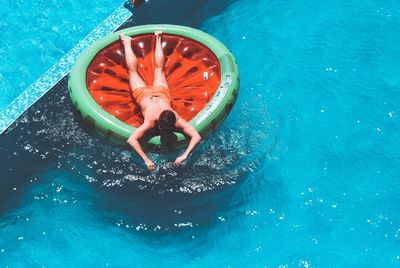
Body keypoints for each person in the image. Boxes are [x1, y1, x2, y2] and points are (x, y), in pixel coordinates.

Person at [120, 31, 202, 171]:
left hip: (157, 94)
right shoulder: (157, 120)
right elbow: (131, 140)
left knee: (154, 70)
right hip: (147, 95)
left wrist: (184, 155)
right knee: (143, 71)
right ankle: (153, 38)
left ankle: (137, 40)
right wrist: (146, 159)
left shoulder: (173, 118)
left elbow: (197, 137)